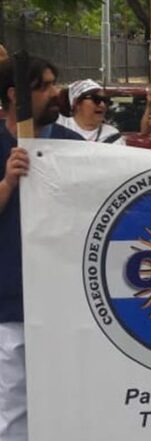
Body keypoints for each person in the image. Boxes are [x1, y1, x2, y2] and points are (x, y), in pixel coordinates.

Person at [0, 56, 83, 441]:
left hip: (64, 304)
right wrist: (7, 184)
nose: (55, 93)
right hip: (11, 307)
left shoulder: (73, 147)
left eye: (54, 83)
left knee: (67, 403)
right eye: (44, 86)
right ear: (15, 95)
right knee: (13, 409)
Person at [56, 79, 124, 144]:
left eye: (105, 100)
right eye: (96, 99)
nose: (102, 105)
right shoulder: (58, 127)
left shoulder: (112, 135)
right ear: (76, 103)